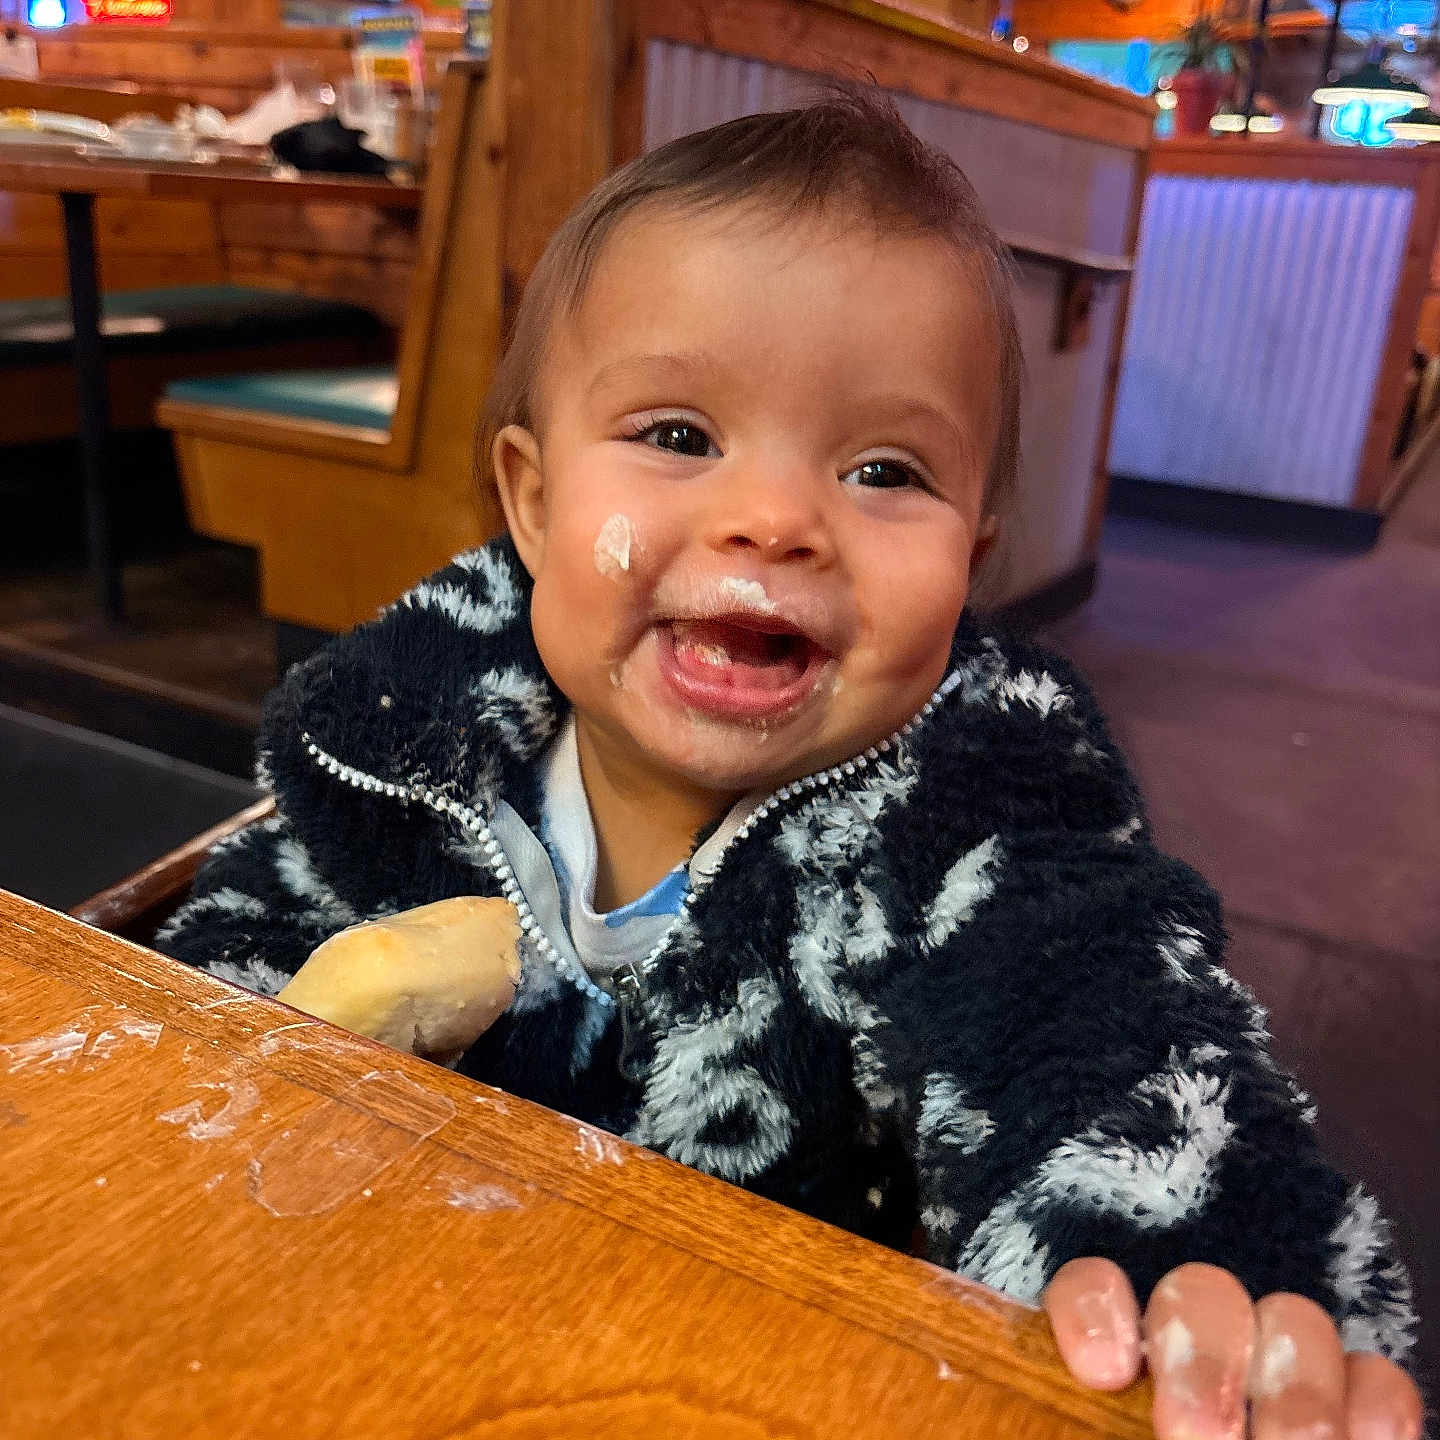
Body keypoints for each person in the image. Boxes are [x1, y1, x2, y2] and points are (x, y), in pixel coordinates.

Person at [157, 90, 1423, 1438]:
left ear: (973, 555)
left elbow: (1103, 1025)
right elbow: (205, 982)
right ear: (533, 501)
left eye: (884, 469)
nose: (774, 520)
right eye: (679, 437)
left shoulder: (981, 805)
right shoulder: (408, 733)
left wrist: (1198, 1263)